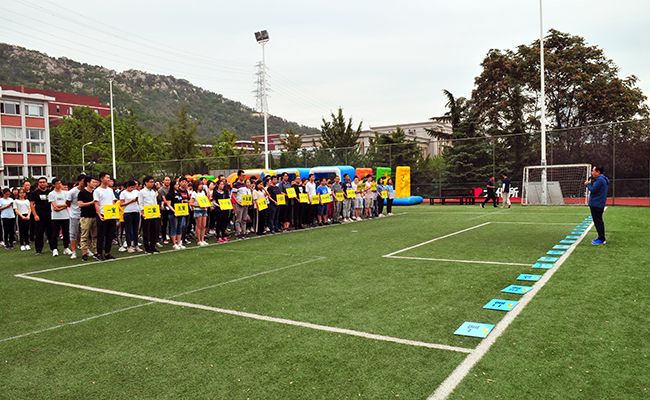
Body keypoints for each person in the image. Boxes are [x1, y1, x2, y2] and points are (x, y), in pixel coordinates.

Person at [94, 172, 118, 261]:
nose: (108, 179)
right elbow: (96, 204)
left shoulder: (110, 190)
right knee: (101, 235)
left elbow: (113, 202)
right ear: (101, 179)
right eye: (107, 178)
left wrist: (115, 213)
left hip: (110, 215)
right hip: (102, 215)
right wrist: (99, 215)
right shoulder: (97, 191)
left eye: (109, 178)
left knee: (110, 235)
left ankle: (107, 252)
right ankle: (99, 253)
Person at [585, 165, 609, 245]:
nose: (592, 172)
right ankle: (600, 237)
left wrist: (588, 184)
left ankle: (601, 238)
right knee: (598, 221)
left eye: (593, 171)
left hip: (596, 204)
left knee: (598, 221)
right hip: (599, 203)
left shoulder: (600, 180)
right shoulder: (603, 179)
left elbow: (593, 190)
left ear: (598, 172)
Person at [48, 178, 72, 257]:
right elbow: (54, 205)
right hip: (55, 217)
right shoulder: (51, 194)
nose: (59, 185)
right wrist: (62, 206)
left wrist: (60, 207)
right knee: (55, 233)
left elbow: (68, 204)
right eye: (58, 183)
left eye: (60, 183)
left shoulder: (65, 193)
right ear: (54, 185)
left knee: (66, 233)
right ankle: (54, 249)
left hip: (65, 216)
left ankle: (66, 248)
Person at [139, 176, 160, 255]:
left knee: (154, 230)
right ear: (146, 183)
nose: (152, 183)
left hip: (153, 213)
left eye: (153, 182)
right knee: (146, 231)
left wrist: (157, 212)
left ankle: (153, 246)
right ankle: (147, 248)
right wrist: (142, 213)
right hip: (146, 213)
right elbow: (140, 203)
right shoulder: (142, 192)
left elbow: (155, 203)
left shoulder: (153, 192)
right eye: (150, 182)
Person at [78, 176, 98, 261]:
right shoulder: (82, 193)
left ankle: (96, 251)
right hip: (85, 216)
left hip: (95, 216)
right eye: (93, 182)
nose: (95, 184)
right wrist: (92, 202)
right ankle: (84, 252)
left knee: (95, 235)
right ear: (88, 183)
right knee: (85, 234)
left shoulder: (95, 192)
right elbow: (80, 204)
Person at [30, 177, 52, 255]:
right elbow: (32, 204)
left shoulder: (50, 192)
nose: (42, 183)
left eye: (43, 182)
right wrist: (35, 215)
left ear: (46, 183)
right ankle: (38, 250)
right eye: (40, 182)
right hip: (39, 215)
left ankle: (53, 248)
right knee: (39, 233)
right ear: (38, 183)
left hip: (50, 215)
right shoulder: (35, 193)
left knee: (51, 232)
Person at [162, 179, 185, 250]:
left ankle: (179, 243)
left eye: (178, 184)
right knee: (174, 228)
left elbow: (181, 202)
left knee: (180, 227)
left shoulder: (179, 193)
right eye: (176, 184)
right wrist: (174, 211)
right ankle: (174, 243)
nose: (177, 186)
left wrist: (182, 210)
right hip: (173, 213)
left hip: (180, 212)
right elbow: (168, 204)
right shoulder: (169, 194)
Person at [119, 180, 141, 253]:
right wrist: (131, 201)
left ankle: (136, 245)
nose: (132, 189)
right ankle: (129, 246)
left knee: (136, 230)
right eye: (131, 187)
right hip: (128, 212)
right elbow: (121, 204)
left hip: (136, 211)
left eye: (134, 187)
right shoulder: (123, 193)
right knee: (128, 230)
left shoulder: (136, 192)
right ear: (128, 186)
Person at [67, 175, 85, 259]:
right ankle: (73, 251)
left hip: (84, 214)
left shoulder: (87, 190)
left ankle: (86, 250)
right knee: (73, 233)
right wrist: (74, 207)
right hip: (74, 214)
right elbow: (68, 202)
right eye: (83, 181)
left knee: (85, 233)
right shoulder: (72, 192)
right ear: (79, 181)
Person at [231, 170, 250, 239]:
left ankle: (244, 232)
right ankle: (238, 233)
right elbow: (233, 195)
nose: (244, 177)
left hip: (245, 203)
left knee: (244, 219)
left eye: (244, 175)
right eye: (242, 175)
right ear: (239, 176)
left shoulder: (244, 184)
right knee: (238, 219)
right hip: (239, 203)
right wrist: (238, 202)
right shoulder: (236, 185)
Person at [190, 179, 209, 246]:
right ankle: (199, 240)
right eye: (200, 185)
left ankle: (202, 239)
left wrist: (206, 205)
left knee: (204, 225)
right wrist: (199, 205)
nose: (201, 186)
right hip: (198, 210)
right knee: (199, 225)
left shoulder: (203, 193)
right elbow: (191, 203)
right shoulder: (194, 193)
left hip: (204, 209)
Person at [157, 176, 171, 244]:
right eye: (166, 180)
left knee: (171, 224)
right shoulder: (161, 190)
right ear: (163, 181)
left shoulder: (171, 189)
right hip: (164, 209)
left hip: (172, 208)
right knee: (164, 224)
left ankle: (172, 237)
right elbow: (163, 200)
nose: (167, 181)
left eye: (168, 180)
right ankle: (164, 237)